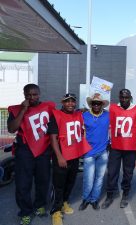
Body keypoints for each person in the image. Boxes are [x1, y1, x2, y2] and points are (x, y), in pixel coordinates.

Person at [7, 83, 55, 225]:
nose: (31, 97)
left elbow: (57, 123)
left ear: (39, 94)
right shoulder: (16, 110)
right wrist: (23, 110)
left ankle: (39, 205)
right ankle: (25, 212)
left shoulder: (48, 107)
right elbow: (11, 128)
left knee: (43, 181)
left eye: (34, 94)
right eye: (28, 95)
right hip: (25, 151)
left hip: (44, 150)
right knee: (23, 183)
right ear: (24, 95)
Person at [48, 93, 91, 225]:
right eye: (67, 101)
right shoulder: (56, 115)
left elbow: (87, 112)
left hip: (75, 155)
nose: (70, 104)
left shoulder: (78, 114)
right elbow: (53, 138)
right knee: (58, 184)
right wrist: (59, 156)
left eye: (72, 101)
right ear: (62, 102)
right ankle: (56, 211)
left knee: (70, 182)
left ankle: (64, 202)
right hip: (62, 156)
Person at [101, 89, 136, 209]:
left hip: (130, 148)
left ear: (130, 97)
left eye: (126, 97)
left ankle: (125, 194)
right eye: (122, 97)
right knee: (112, 172)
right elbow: (101, 113)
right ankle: (109, 196)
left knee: (128, 173)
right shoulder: (113, 108)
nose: (124, 99)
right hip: (116, 147)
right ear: (119, 97)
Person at [79, 93, 110, 211]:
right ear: (91, 104)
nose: (96, 105)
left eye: (98, 103)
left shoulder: (108, 115)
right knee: (88, 178)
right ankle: (85, 199)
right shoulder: (84, 115)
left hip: (103, 153)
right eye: (94, 103)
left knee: (99, 178)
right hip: (89, 153)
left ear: (102, 105)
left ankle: (94, 199)